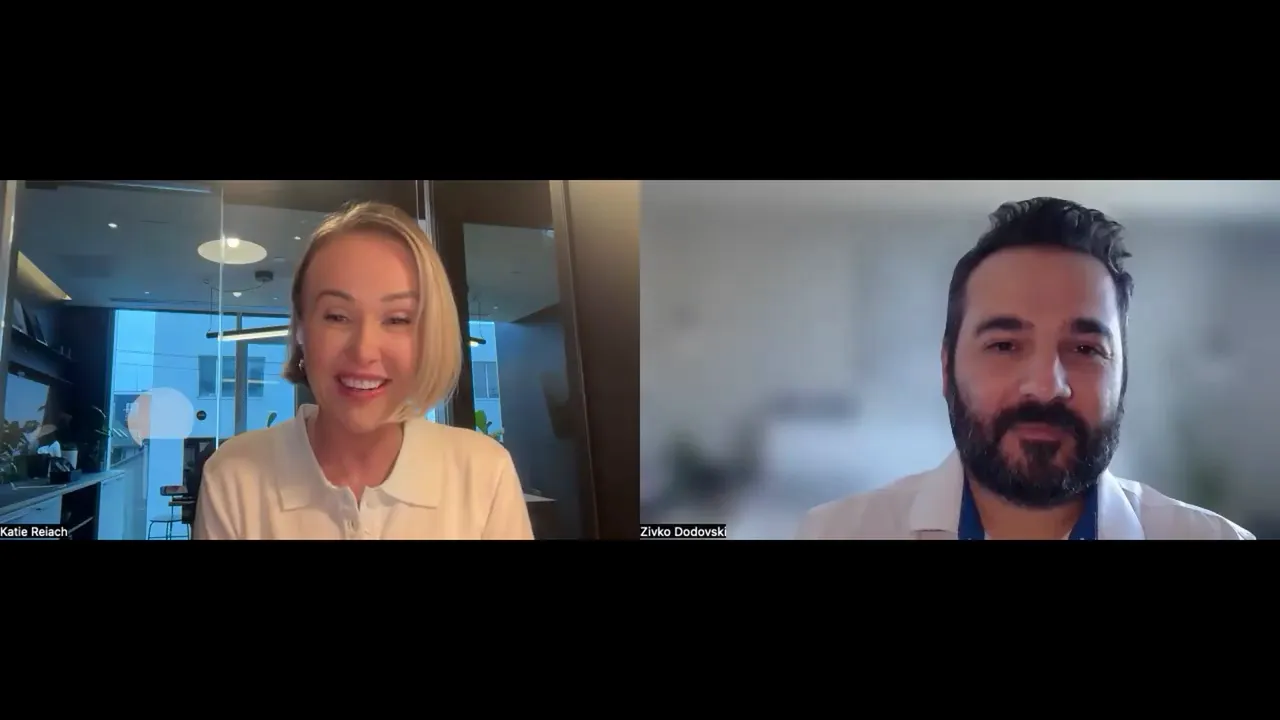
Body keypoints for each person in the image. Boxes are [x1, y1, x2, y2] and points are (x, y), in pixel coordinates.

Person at [798, 197, 1253, 540]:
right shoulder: (835, 533)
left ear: (1123, 376)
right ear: (946, 368)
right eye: (1004, 345)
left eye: (1085, 348)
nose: (1045, 386)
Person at [193, 201, 534, 540]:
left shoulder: (483, 473)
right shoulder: (235, 477)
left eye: (397, 319)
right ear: (301, 327)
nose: (364, 350)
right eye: (337, 316)